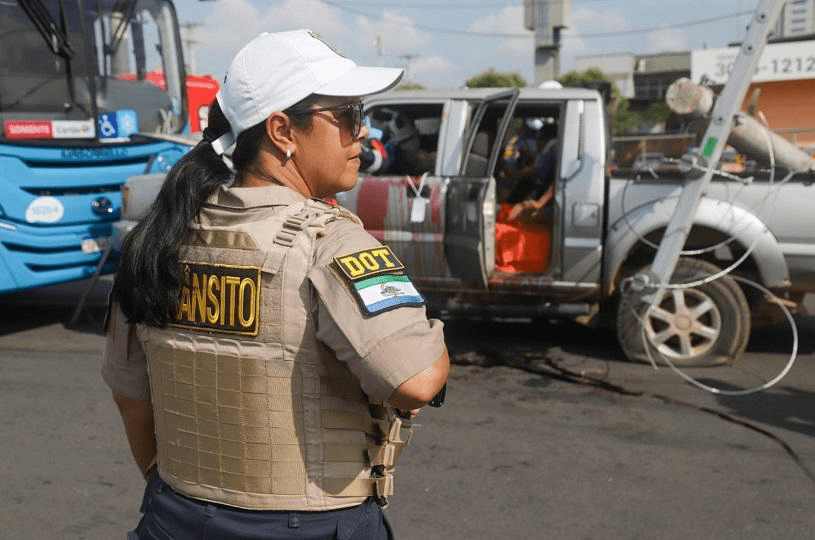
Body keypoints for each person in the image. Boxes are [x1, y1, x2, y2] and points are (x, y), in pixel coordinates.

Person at [103, 29, 449, 540]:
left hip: (175, 514)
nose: (363, 138)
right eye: (349, 117)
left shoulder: (156, 240)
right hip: (313, 523)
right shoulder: (331, 243)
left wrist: (173, 488)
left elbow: (130, 393)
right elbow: (416, 381)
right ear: (282, 131)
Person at [501, 119, 558, 222]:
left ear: (541, 139)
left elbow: (511, 171)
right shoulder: (548, 150)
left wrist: (509, 145)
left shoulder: (550, 149)